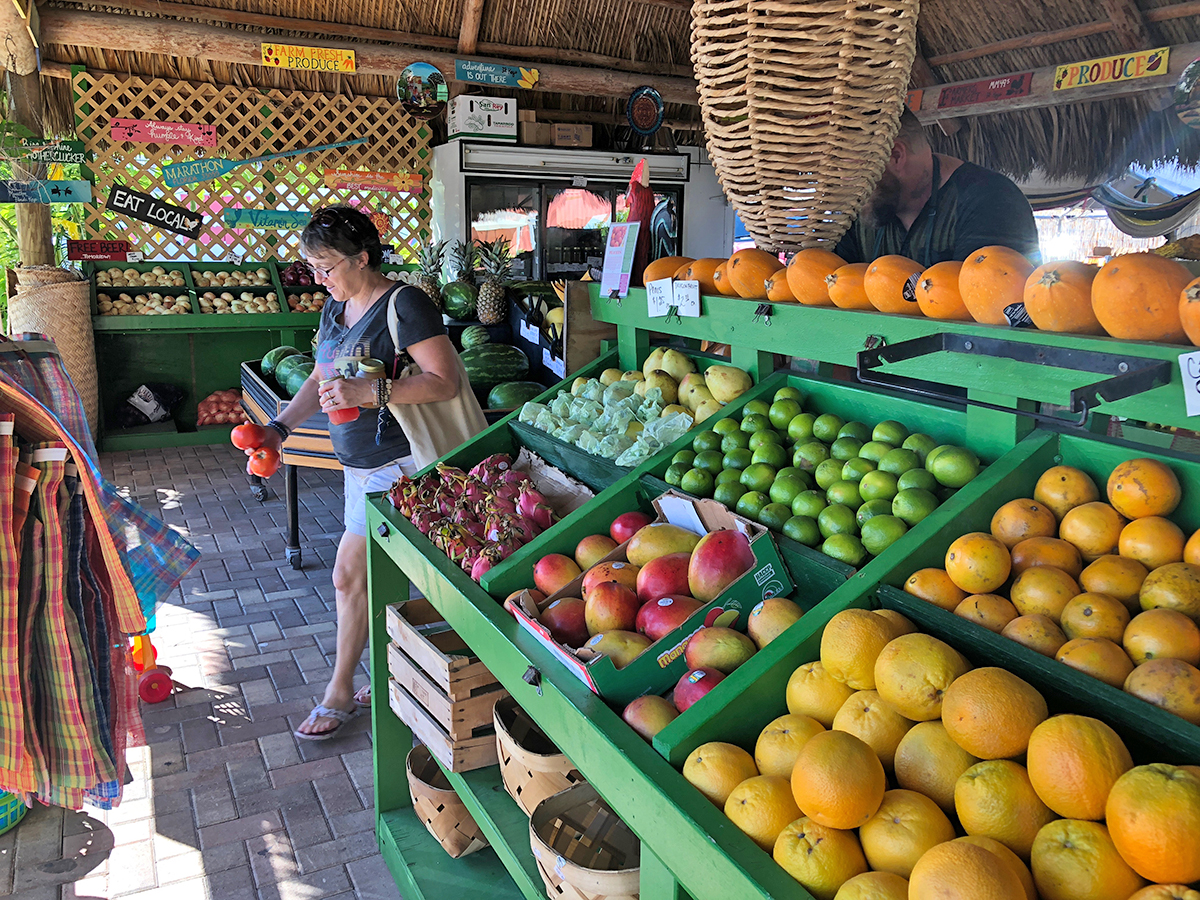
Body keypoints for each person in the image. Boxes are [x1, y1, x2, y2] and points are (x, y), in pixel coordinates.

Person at [252, 206, 462, 740]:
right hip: (359, 467)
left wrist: (374, 392)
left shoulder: (404, 304)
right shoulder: (334, 310)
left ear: (362, 258)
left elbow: (445, 382)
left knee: (350, 576)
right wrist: (280, 427)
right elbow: (321, 377)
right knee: (387, 579)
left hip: (404, 465)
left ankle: (341, 691)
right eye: (311, 268)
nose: (318, 279)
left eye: (325, 267)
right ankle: (402, 671)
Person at [835, 109, 1041, 267]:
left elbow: (986, 309)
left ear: (896, 156)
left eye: (855, 178)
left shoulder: (992, 202)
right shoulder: (860, 211)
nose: (849, 192)